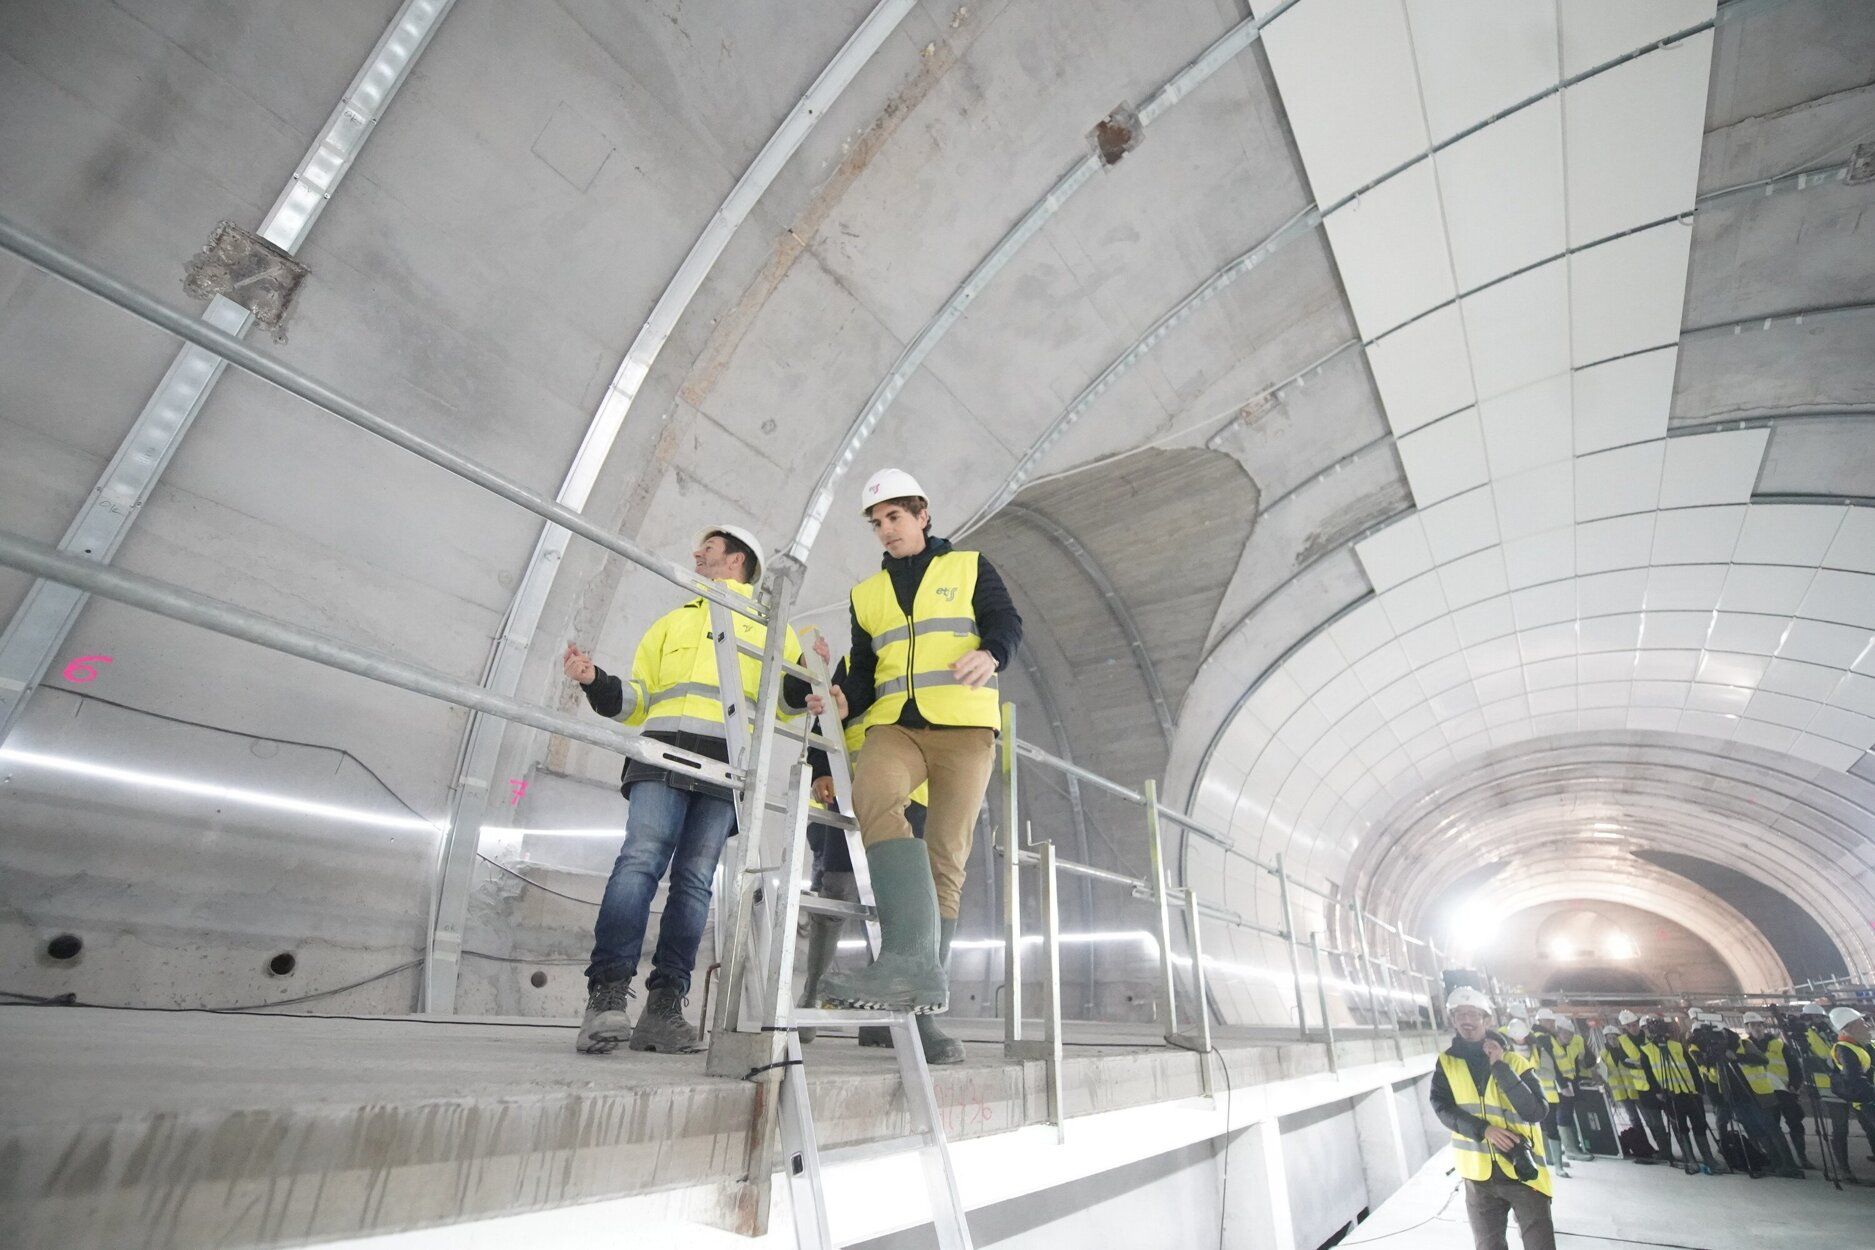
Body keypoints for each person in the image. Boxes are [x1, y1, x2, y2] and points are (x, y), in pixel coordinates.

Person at [564, 525, 806, 1055]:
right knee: (640, 862)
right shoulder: (669, 624)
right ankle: (606, 1000)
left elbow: (788, 703)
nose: (696, 554)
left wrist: (809, 671)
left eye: (708, 549)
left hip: (725, 770)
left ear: (736, 559)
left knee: (695, 883)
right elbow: (636, 702)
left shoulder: (772, 628)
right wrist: (593, 680)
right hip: (661, 757)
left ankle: (664, 1010)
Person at [811, 470, 1022, 1057]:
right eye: (877, 523)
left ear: (922, 515)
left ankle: (925, 1011)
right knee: (873, 795)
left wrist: (991, 653)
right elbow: (858, 668)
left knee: (946, 860)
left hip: (964, 725)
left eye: (894, 518)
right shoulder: (866, 594)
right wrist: (839, 696)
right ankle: (905, 961)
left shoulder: (971, 566)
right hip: (895, 724)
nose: (885, 531)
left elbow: (1007, 623)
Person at [1430, 988, 1554, 1250]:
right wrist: (1484, 1129)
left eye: (1473, 1014)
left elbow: (1535, 1111)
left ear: (1486, 1020)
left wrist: (1500, 1067)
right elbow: (1442, 1107)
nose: (1467, 1020)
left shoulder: (1514, 1062)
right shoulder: (1446, 1063)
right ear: (1453, 1019)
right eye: (1460, 1014)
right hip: (1478, 1177)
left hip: (1523, 1171)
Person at [1642, 1015, 1728, 1175]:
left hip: (1689, 1092)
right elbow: (1649, 1074)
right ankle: (1690, 1159)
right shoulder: (1647, 1051)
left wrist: (1698, 1087)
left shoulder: (1676, 1046)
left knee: (1699, 1125)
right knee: (1681, 1128)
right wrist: (1658, 1091)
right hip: (1670, 1094)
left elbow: (1692, 1066)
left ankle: (1708, 1158)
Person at [1741, 1010, 1812, 1168]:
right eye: (1753, 1025)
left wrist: (1795, 1084)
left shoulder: (1779, 1044)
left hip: (1784, 1090)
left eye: (1759, 1025)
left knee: (1795, 1123)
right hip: (1763, 1093)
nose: (1757, 1028)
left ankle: (1802, 1157)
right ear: (1747, 1028)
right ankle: (1780, 1160)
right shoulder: (1744, 1047)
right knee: (1772, 1127)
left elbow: (1794, 1066)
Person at [1610, 1009, 1675, 1163]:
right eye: (1629, 1026)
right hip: (1643, 1087)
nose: (1633, 1027)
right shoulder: (1623, 1041)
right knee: (1654, 1123)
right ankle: (1665, 1153)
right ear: (1624, 1027)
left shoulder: (1649, 1035)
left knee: (1674, 1119)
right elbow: (1623, 1060)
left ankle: (1685, 1152)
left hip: (1661, 1082)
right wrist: (1638, 1065)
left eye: (1634, 1024)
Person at [1509, 1018, 1570, 1178]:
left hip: (1544, 1094)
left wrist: (1531, 1073)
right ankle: (1547, 1158)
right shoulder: (1507, 1051)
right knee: (1537, 1129)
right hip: (1522, 1097)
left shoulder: (1538, 1048)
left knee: (1551, 1127)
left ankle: (1558, 1164)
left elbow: (1550, 1071)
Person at [1824, 1006, 1875, 1185]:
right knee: (1841, 1130)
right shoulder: (1845, 1049)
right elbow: (1855, 1080)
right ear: (1848, 1028)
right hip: (1868, 1102)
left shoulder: (1864, 1044)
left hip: (1869, 1100)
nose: (1868, 1026)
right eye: (1862, 1023)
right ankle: (1844, 1169)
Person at [1534, 1008, 1593, 1163]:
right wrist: (1563, 1085)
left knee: (1556, 1119)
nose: (1552, 1024)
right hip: (1556, 1087)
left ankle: (1556, 1156)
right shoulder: (1544, 1039)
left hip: (1559, 1085)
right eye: (1549, 1021)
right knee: (1560, 1118)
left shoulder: (1548, 1038)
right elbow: (1553, 1064)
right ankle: (1570, 1150)